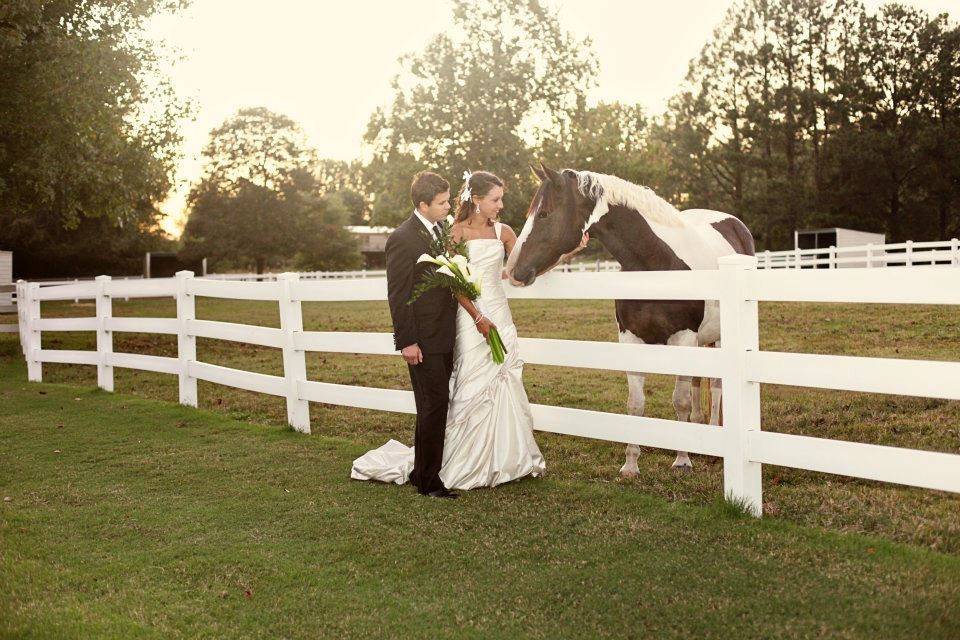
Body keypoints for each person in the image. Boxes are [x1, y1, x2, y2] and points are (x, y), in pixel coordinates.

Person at [352, 170, 586, 494]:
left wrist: (570, 251)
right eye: (495, 199)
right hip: (464, 319)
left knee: (499, 382)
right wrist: (473, 317)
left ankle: (505, 459)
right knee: (460, 392)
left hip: (496, 315)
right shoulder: (447, 233)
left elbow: (523, 269)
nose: (501, 205)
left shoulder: (496, 232)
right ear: (476, 199)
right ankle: (449, 467)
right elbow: (437, 285)